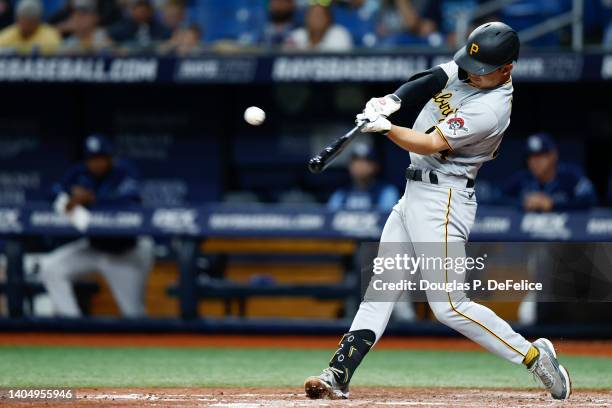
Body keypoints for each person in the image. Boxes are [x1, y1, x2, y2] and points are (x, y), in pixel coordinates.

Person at [304, 22, 571, 401]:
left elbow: (430, 143)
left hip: (444, 200)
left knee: (448, 306)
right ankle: (339, 372)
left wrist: (385, 127)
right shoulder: (475, 67)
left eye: (481, 71)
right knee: (381, 290)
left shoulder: (492, 109)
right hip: (413, 192)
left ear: (506, 70)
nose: (470, 74)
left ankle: (533, 356)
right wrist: (394, 99)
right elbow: (431, 78)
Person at [40, 134, 154, 318]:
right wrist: (68, 198)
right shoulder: (78, 172)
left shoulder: (124, 171)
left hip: (125, 252)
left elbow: (130, 199)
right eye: (92, 159)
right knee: (51, 267)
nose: (96, 163)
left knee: (134, 316)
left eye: (101, 158)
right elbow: (52, 192)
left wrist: (92, 199)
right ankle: (73, 326)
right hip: (94, 248)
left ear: (110, 158)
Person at [503, 132, 597, 212]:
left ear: (553, 156)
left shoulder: (570, 176)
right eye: (531, 157)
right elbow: (497, 198)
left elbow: (589, 199)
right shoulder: (522, 178)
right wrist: (522, 202)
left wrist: (553, 204)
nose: (535, 162)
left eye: (540, 156)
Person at [328, 143, 399, 212]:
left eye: (366, 161)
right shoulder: (341, 194)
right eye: (356, 161)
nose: (360, 166)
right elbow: (329, 218)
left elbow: (388, 219)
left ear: (376, 166)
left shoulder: (386, 192)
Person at [285, 3, 353, 51]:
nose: (316, 19)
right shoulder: (297, 35)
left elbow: (340, 61)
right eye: (312, 16)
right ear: (306, 18)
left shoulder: (339, 34)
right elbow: (285, 59)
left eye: (320, 16)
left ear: (328, 19)